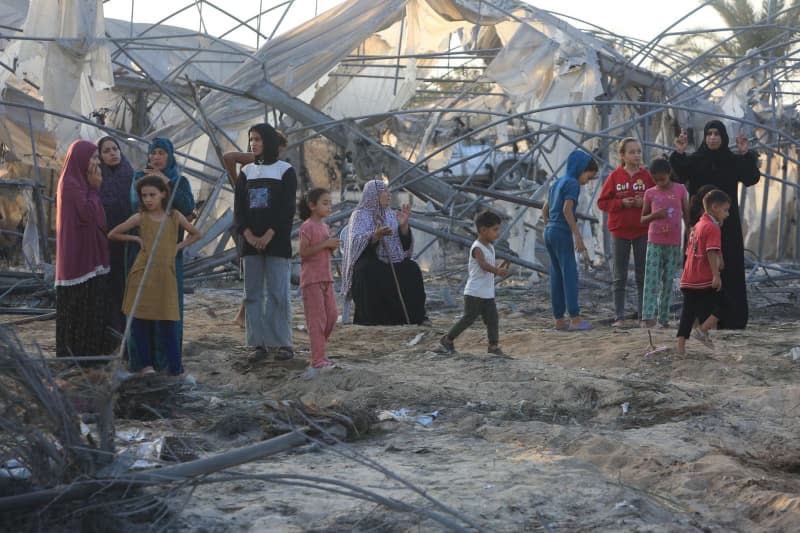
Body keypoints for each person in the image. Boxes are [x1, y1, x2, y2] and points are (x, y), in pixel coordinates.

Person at [670, 120, 760, 329]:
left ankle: (731, 318)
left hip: (727, 225)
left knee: (729, 268)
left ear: (723, 137)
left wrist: (746, 153)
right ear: (704, 137)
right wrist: (680, 152)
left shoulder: (731, 160)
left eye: (716, 134)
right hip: (700, 225)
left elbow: (751, 178)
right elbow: (679, 175)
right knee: (700, 268)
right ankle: (701, 318)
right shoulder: (696, 160)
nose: (712, 137)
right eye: (709, 133)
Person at [109, 176, 202, 375]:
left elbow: (196, 234)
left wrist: (177, 247)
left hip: (165, 276)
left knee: (169, 321)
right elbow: (113, 233)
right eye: (144, 196)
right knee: (140, 321)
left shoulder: (174, 216)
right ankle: (145, 366)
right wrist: (135, 237)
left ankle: (176, 368)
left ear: (163, 194)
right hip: (141, 275)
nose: (148, 199)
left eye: (152, 195)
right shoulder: (139, 217)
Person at [127, 137, 195, 369]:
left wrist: (166, 183)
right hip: (143, 251)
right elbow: (137, 204)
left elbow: (187, 207)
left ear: (170, 156)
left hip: (168, 254)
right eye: (153, 153)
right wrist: (153, 187)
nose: (156, 158)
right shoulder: (138, 178)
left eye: (161, 153)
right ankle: (142, 362)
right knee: (142, 305)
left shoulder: (179, 181)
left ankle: (168, 363)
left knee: (167, 306)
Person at [233, 123, 297, 360]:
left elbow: (286, 209)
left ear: (268, 141)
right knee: (252, 294)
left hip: (277, 242)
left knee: (278, 292)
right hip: (250, 243)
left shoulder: (285, 171)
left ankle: (281, 343)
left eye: (258, 139)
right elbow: (239, 209)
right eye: (251, 139)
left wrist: (270, 234)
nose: (253, 143)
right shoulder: (246, 172)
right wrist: (248, 235)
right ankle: (257, 343)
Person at [223, 130, 288, 329]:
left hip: (263, 223)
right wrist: (237, 183)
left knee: (259, 277)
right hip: (250, 223)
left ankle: (243, 315)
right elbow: (228, 157)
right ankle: (244, 316)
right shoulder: (253, 162)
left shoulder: (276, 167)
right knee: (254, 275)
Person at [55, 140, 113, 358]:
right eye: (94, 157)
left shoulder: (78, 182)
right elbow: (89, 215)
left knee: (90, 308)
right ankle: (78, 358)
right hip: (79, 260)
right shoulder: (71, 184)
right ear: (80, 158)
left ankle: (89, 355)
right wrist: (94, 189)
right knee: (80, 309)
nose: (97, 162)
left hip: (89, 256)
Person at [341, 179, 427, 326]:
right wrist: (374, 236)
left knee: (411, 269)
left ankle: (415, 317)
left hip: (391, 261)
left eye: (389, 191)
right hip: (367, 260)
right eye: (385, 192)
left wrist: (404, 227)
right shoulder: (359, 215)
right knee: (368, 271)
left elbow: (404, 246)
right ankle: (376, 319)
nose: (389, 195)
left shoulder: (391, 214)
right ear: (374, 194)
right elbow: (355, 244)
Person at [597, 138, 654, 327]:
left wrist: (642, 204)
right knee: (619, 275)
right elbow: (602, 203)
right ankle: (619, 316)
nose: (636, 155)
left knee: (642, 275)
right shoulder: (614, 177)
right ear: (622, 155)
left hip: (642, 230)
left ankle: (643, 316)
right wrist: (621, 203)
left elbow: (658, 200)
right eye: (632, 152)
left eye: (639, 151)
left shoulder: (647, 177)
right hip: (620, 231)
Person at [542, 149, 598, 331]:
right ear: (581, 169)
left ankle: (559, 319)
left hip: (550, 230)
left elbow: (545, 208)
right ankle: (575, 318)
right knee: (570, 275)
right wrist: (577, 235)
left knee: (557, 275)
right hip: (561, 232)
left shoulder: (558, 182)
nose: (587, 182)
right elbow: (567, 210)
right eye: (588, 177)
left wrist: (548, 227)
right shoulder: (572, 183)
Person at [439, 211, 509, 356]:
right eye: (495, 229)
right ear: (483, 230)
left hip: (487, 293)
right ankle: (447, 339)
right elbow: (483, 264)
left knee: (492, 319)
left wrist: (500, 268)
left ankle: (493, 346)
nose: (498, 233)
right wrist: (497, 270)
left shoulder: (490, 246)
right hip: (474, 292)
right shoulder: (477, 247)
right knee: (468, 318)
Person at [676, 189, 730, 354]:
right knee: (727, 304)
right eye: (725, 210)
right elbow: (710, 251)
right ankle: (703, 330)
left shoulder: (698, 225)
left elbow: (690, 251)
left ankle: (680, 349)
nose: (727, 214)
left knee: (688, 313)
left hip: (688, 277)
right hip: (702, 277)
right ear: (714, 207)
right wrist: (716, 275)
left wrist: (720, 259)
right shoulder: (712, 227)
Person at [639, 158, 689, 328]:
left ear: (669, 174)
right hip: (654, 242)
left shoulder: (680, 190)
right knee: (652, 280)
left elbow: (686, 215)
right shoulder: (650, 193)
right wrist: (654, 215)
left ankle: (664, 317)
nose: (659, 182)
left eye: (663, 179)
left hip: (674, 243)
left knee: (668, 281)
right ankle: (648, 317)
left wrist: (690, 232)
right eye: (656, 179)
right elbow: (643, 218)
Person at [298, 188, 340, 369]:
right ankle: (317, 358)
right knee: (317, 320)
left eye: (330, 203)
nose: (329, 207)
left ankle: (319, 350)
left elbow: (324, 250)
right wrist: (325, 244)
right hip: (312, 280)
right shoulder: (307, 226)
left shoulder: (325, 227)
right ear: (312, 206)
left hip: (327, 278)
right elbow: (303, 252)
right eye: (325, 203)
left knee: (331, 317)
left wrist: (332, 246)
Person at [97, 135, 134, 338]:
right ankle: (112, 331)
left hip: (130, 241)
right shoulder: (96, 179)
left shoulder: (131, 175)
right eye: (107, 151)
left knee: (127, 286)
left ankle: (129, 332)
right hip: (104, 242)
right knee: (110, 287)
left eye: (115, 149)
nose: (112, 153)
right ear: (100, 157)